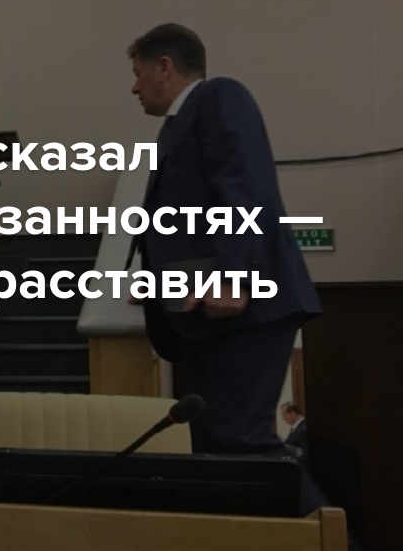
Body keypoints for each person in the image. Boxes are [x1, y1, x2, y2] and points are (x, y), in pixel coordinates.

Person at [124, 23, 322, 456]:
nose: (134, 88)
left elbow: (244, 186)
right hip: (207, 317)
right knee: (217, 449)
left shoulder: (218, 96)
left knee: (242, 445)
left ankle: (316, 509)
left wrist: (234, 276)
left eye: (138, 74)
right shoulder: (175, 127)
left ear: (164, 66)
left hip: (246, 309)